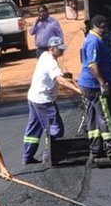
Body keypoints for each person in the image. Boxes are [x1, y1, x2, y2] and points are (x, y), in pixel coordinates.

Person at [23, 35, 84, 164]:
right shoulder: (50, 61)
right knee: (56, 128)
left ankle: (27, 157)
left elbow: (59, 75)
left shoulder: (45, 56)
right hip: (43, 100)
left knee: (34, 128)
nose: (62, 51)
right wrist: (79, 91)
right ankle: (48, 156)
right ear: (52, 48)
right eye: (59, 49)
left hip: (33, 97)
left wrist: (71, 79)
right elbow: (59, 80)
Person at [78, 14, 111, 161]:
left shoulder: (95, 40)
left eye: (106, 27)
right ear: (95, 27)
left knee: (93, 118)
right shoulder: (93, 41)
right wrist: (102, 82)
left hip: (88, 85)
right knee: (105, 116)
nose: (105, 30)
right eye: (102, 27)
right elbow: (92, 64)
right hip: (94, 86)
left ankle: (95, 151)